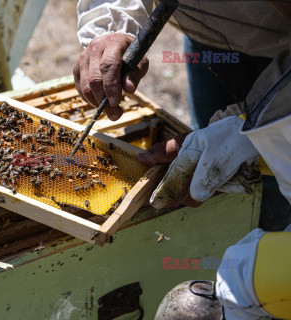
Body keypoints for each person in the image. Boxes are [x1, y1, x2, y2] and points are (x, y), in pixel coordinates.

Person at [73, 0, 291, 318]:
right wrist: (110, 22)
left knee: (264, 199)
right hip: (210, 33)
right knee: (212, 175)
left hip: (280, 50)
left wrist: (260, 136)